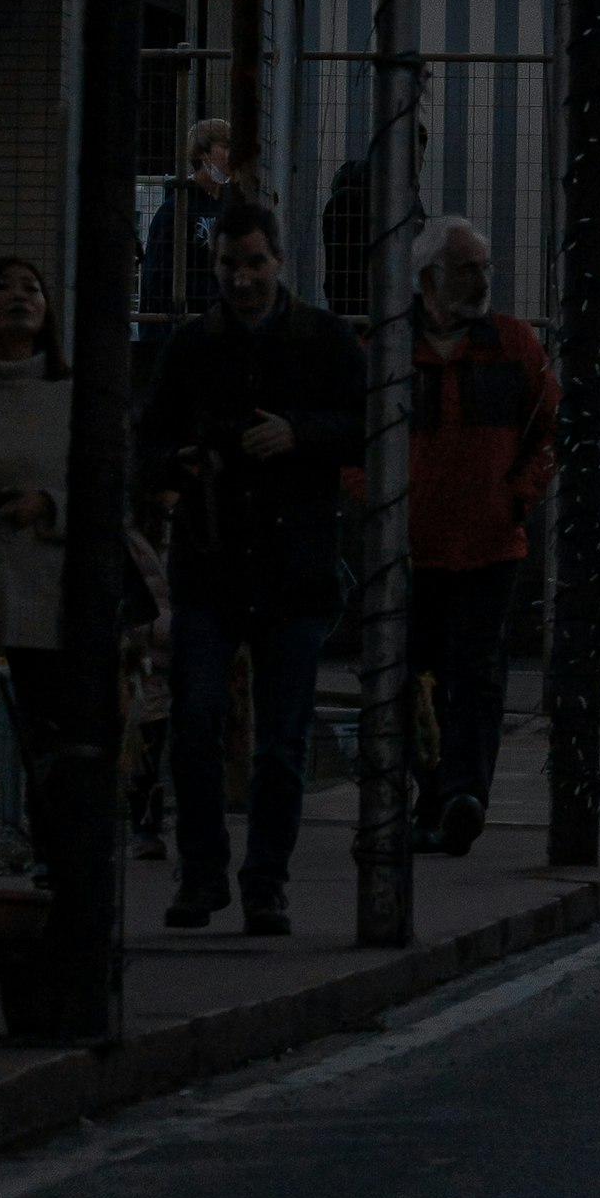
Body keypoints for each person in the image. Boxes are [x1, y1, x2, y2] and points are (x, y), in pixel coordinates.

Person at [134, 206, 359, 939]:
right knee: (195, 717)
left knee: (281, 736)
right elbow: (150, 437)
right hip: (213, 557)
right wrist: (182, 463)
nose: (241, 278)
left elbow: (368, 423)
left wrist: (299, 433)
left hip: (292, 562)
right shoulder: (195, 346)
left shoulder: (324, 338)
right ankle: (205, 872)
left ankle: (263, 881)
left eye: (253, 263)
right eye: (231, 265)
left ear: (278, 260)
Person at [406, 219, 556, 857]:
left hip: (489, 547)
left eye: (484, 267)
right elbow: (349, 438)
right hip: (409, 552)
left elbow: (550, 428)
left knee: (475, 674)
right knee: (410, 681)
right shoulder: (389, 349)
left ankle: (463, 795)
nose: (482, 280)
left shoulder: (514, 345)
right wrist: (374, 501)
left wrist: (518, 495)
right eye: (468, 269)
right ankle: (434, 793)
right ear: (428, 279)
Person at [0, 250, 71, 994]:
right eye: (1, 286)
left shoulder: (71, 394)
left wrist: (48, 504)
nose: (17, 296)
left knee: (52, 744)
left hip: (45, 586)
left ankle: (56, 877)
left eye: (31, 287)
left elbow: (98, 480)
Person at [137, 117, 242, 342]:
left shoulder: (229, 205)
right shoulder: (176, 209)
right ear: (203, 153)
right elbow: (157, 275)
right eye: (225, 147)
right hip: (187, 324)